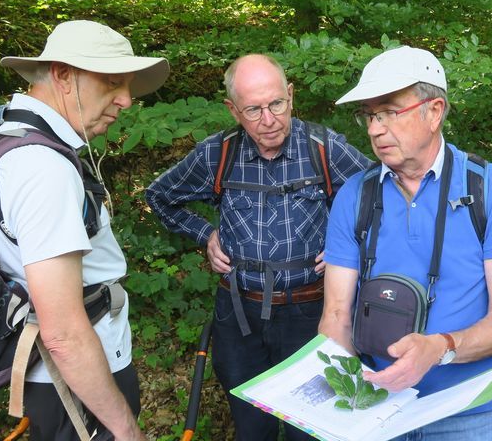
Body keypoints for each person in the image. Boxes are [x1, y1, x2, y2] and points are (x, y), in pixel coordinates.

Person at [146, 54, 371, 441]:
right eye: (253, 110)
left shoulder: (324, 149)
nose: (268, 120)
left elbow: (383, 201)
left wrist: (347, 247)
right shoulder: (217, 154)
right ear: (233, 110)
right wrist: (205, 234)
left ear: (291, 96)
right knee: (252, 427)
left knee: (313, 427)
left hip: (312, 312)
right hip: (239, 315)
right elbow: (160, 196)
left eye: (277, 104)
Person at [319, 46, 492, 440]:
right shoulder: (355, 195)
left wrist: (440, 348)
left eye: (387, 112)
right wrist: (348, 390)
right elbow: (335, 315)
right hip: (376, 407)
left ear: (434, 111)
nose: (373, 129)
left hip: (463, 410)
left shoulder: (490, 188)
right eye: (369, 114)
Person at [0, 20, 169, 440]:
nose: (126, 100)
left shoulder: (3, 136)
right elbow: (64, 333)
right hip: (75, 385)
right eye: (111, 82)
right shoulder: (43, 168)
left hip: (58, 379)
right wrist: (125, 430)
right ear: (64, 75)